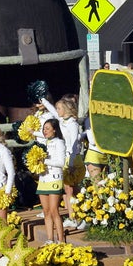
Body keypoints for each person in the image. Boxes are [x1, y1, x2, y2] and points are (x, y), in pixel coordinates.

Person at [40, 97, 83, 228]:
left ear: (66, 110)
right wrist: (43, 100)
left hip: (72, 159)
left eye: (59, 108)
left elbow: (74, 143)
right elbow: (52, 110)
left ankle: (76, 218)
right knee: (67, 190)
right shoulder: (62, 121)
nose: (57, 110)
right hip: (66, 159)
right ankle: (73, 216)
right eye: (57, 108)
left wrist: (70, 164)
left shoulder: (72, 124)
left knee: (70, 190)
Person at [37, 119, 66, 244]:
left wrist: (44, 161)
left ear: (55, 129)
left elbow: (61, 163)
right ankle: (50, 239)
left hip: (54, 178)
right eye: (44, 129)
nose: (45, 131)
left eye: (48, 128)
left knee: (54, 210)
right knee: (46, 211)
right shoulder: (42, 143)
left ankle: (61, 240)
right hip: (43, 179)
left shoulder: (59, 143)